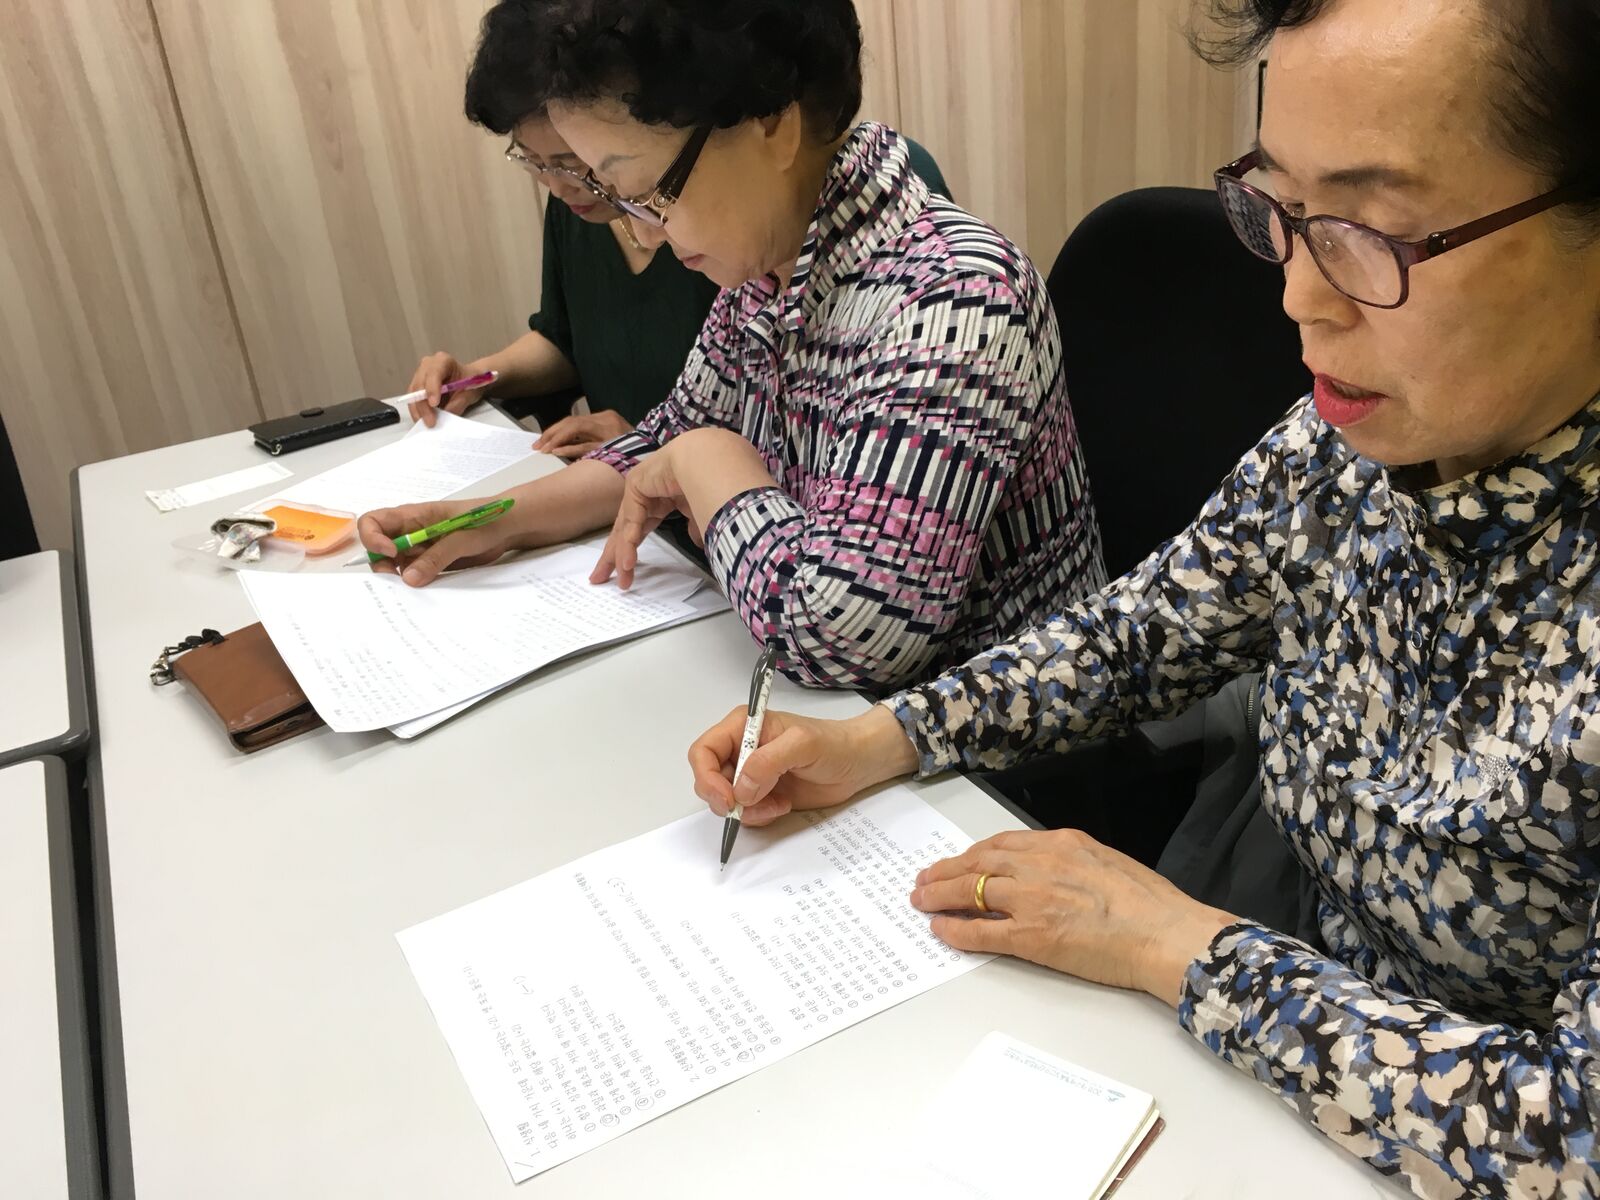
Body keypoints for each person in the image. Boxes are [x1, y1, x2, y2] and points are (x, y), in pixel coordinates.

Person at [687, 0, 1600, 1193]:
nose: (1299, 297)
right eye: (1281, 212)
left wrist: (1173, 943)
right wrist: (881, 737)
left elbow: (1573, 1134)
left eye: (1371, 230)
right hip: (1288, 1080)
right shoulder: (1349, 453)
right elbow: (1141, 634)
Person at [360, 0, 1105, 692]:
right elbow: (660, 445)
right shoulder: (766, 268)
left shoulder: (958, 296)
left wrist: (712, 467)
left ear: (770, 125)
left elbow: (844, 636)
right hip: (838, 726)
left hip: (998, 753)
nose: (646, 230)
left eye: (650, 192)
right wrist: (487, 522)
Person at [405, 116, 952, 460]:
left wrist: (684, 464)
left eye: (573, 164)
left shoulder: (746, 252)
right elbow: (579, 349)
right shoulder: (744, 279)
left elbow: (838, 585)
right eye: (534, 163)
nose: (557, 184)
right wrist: (484, 377)